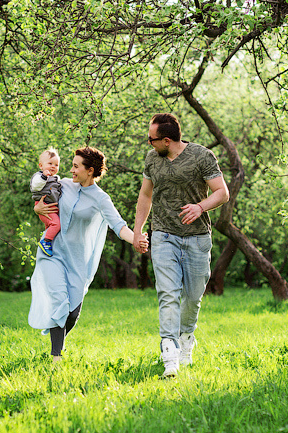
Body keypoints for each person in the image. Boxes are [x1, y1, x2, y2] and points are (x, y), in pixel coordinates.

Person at [132, 113, 229, 378]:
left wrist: (200, 207)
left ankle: (186, 337)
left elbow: (222, 192)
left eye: (151, 139)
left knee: (193, 297)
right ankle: (170, 353)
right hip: (163, 235)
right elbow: (145, 194)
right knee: (167, 293)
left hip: (197, 237)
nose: (148, 143)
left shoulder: (202, 156)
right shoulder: (153, 158)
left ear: (166, 140)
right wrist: (137, 230)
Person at [29, 147, 137, 361]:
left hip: (78, 261)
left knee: (72, 313)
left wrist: (137, 239)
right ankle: (55, 356)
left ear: (90, 171)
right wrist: (37, 209)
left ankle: (56, 337)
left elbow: (118, 225)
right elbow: (40, 193)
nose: (71, 170)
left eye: (76, 166)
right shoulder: (63, 185)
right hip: (52, 253)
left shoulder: (101, 199)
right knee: (60, 300)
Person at [30, 147, 63, 257]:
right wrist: (44, 176)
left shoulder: (56, 179)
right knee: (56, 224)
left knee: (51, 226)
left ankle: (48, 242)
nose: (53, 166)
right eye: (50, 163)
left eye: (56, 165)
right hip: (43, 205)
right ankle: (46, 242)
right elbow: (35, 186)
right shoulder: (39, 176)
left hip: (51, 208)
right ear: (41, 166)